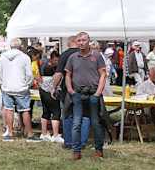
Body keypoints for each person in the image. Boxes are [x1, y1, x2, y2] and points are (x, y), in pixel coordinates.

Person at [65, 31, 107, 160]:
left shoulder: (97, 56)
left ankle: (99, 150)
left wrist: (98, 93)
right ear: (76, 42)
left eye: (84, 40)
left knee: (95, 123)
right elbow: (67, 75)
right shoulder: (72, 57)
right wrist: (71, 91)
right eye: (79, 41)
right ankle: (76, 151)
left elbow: (103, 74)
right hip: (78, 94)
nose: (81, 43)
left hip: (93, 93)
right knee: (76, 123)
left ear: (89, 41)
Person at [0, 39, 39, 142]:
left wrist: (2, 83)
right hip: (21, 87)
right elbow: (29, 74)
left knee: (8, 109)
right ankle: (29, 133)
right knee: (25, 110)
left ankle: (10, 133)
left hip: (7, 87)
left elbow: (0, 72)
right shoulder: (25, 58)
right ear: (20, 46)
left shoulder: (3, 57)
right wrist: (28, 84)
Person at [39, 51, 63, 143]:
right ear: (51, 59)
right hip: (50, 90)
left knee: (46, 112)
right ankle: (55, 135)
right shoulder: (52, 67)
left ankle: (44, 133)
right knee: (56, 112)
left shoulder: (43, 65)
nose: (57, 62)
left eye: (58, 60)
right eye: (56, 60)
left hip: (42, 89)